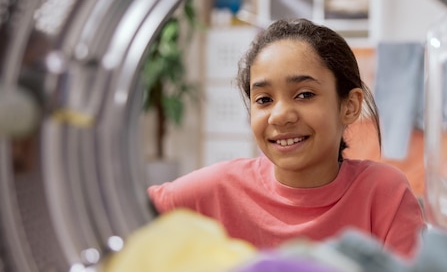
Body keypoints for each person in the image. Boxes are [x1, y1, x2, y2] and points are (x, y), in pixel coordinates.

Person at [148, 18, 426, 259]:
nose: (280, 116)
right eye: (264, 99)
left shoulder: (385, 193)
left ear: (349, 106)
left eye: (304, 94)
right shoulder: (217, 188)